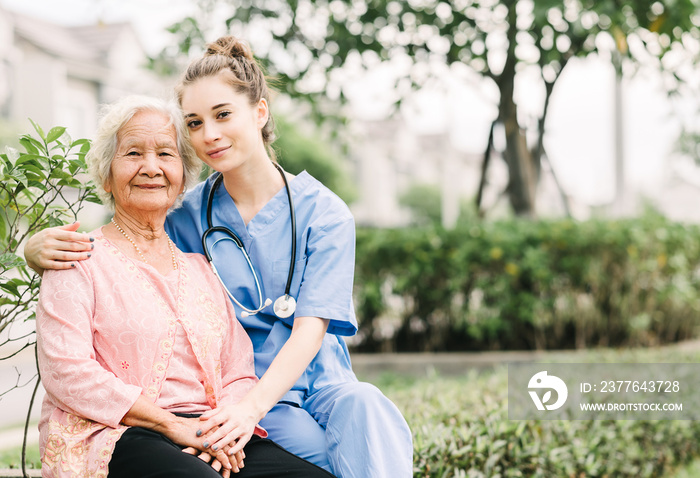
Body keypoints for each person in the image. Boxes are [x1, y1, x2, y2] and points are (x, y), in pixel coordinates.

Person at [25, 36, 413, 478]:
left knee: (367, 408)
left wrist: (249, 409)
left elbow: (311, 329)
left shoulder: (324, 213)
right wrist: (33, 250)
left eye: (223, 115)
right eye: (193, 123)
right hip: (242, 401)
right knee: (324, 467)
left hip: (305, 386)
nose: (209, 134)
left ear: (260, 111)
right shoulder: (185, 213)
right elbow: (123, 244)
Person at [34, 95, 335, 478]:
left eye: (165, 154)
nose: (151, 167)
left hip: (205, 428)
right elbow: (67, 373)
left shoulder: (201, 267)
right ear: (106, 175)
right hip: (117, 431)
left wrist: (222, 430)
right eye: (132, 154)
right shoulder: (77, 260)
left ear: (182, 178)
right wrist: (172, 425)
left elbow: (239, 370)